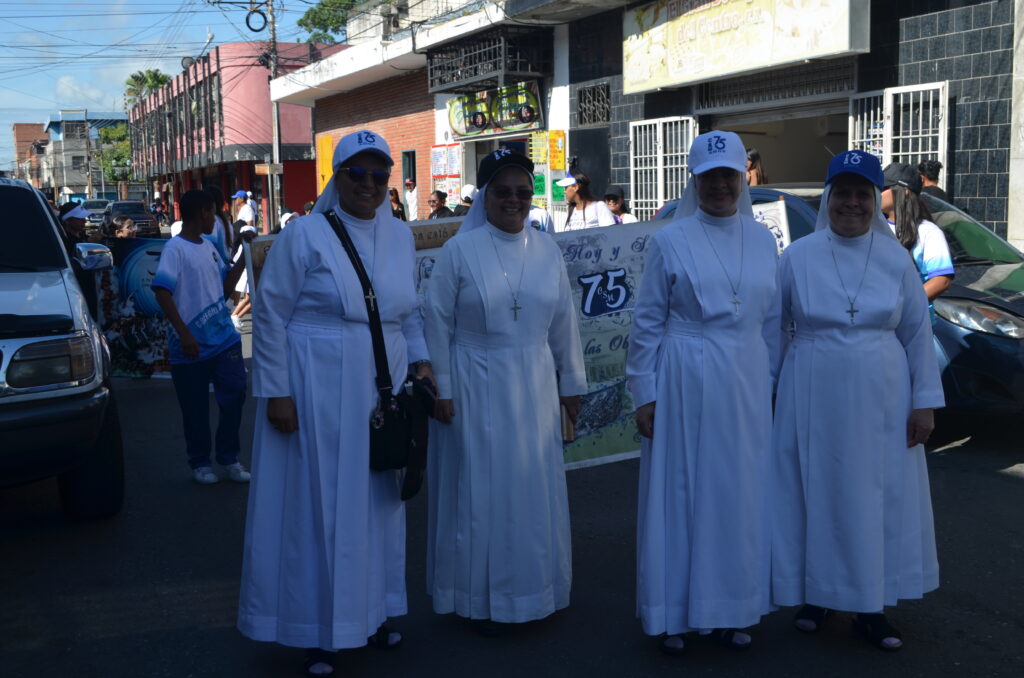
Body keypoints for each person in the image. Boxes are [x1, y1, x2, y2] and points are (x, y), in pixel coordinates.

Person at [238, 130, 432, 677]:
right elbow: (271, 314)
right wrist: (275, 391)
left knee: (377, 503)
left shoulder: (399, 236)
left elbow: (409, 311)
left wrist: (420, 364)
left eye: (379, 175)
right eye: (357, 174)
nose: (369, 185)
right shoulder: (305, 236)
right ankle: (318, 631)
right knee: (319, 505)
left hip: (382, 383)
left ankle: (370, 614)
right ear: (337, 177)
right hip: (316, 382)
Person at [772, 150, 944, 652]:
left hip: (882, 401)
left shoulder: (895, 259)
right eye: (842, 193)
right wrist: (771, 390)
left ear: (875, 200)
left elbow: (916, 334)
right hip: (812, 396)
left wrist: (925, 403)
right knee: (816, 495)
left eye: (862, 195)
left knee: (874, 499)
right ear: (828, 198)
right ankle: (818, 596)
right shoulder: (797, 257)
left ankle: (872, 606)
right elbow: (774, 330)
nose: (851, 204)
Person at [627, 131, 780, 655]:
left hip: (746, 377)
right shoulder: (672, 239)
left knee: (739, 494)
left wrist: (771, 385)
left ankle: (734, 607)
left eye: (728, 175)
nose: (720, 185)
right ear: (694, 180)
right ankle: (676, 613)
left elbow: (772, 322)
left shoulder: (763, 241)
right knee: (683, 491)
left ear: (743, 178)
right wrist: (644, 393)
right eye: (709, 176)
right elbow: (647, 322)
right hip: (685, 373)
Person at [423, 149, 587, 636]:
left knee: (532, 488)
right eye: (502, 191)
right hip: (475, 380)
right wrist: (444, 388)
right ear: (484, 196)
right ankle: (480, 597)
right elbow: (436, 320)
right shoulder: (460, 250)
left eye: (522, 191)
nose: (513, 200)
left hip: (534, 381)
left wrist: (571, 383)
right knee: (481, 489)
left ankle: (535, 591)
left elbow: (564, 322)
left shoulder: (547, 249)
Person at [151, 189, 251, 485]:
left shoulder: (208, 246)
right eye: (214, 213)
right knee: (194, 408)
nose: (218, 220)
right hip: (190, 344)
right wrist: (184, 334)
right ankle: (200, 463)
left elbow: (223, 287)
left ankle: (229, 458)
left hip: (223, 338)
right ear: (203, 212)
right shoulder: (175, 249)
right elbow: (162, 291)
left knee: (235, 393)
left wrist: (246, 256)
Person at [881, 163, 954, 312]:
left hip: (913, 327)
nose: (877, 193)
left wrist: (902, 306)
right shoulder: (872, 227)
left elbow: (942, 280)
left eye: (884, 188)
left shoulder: (928, 231)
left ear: (905, 191)